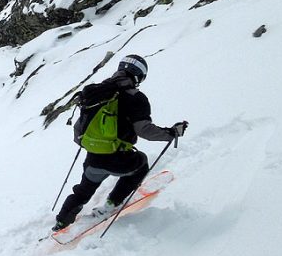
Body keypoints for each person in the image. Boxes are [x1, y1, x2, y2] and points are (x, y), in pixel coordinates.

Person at [53, 54, 187, 231]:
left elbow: (79, 130)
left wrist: (93, 146)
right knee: (141, 163)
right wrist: (171, 133)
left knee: (83, 190)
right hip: (119, 160)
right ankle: (112, 203)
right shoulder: (136, 98)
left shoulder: (96, 92)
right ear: (139, 76)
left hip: (92, 159)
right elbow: (144, 130)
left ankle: (61, 221)